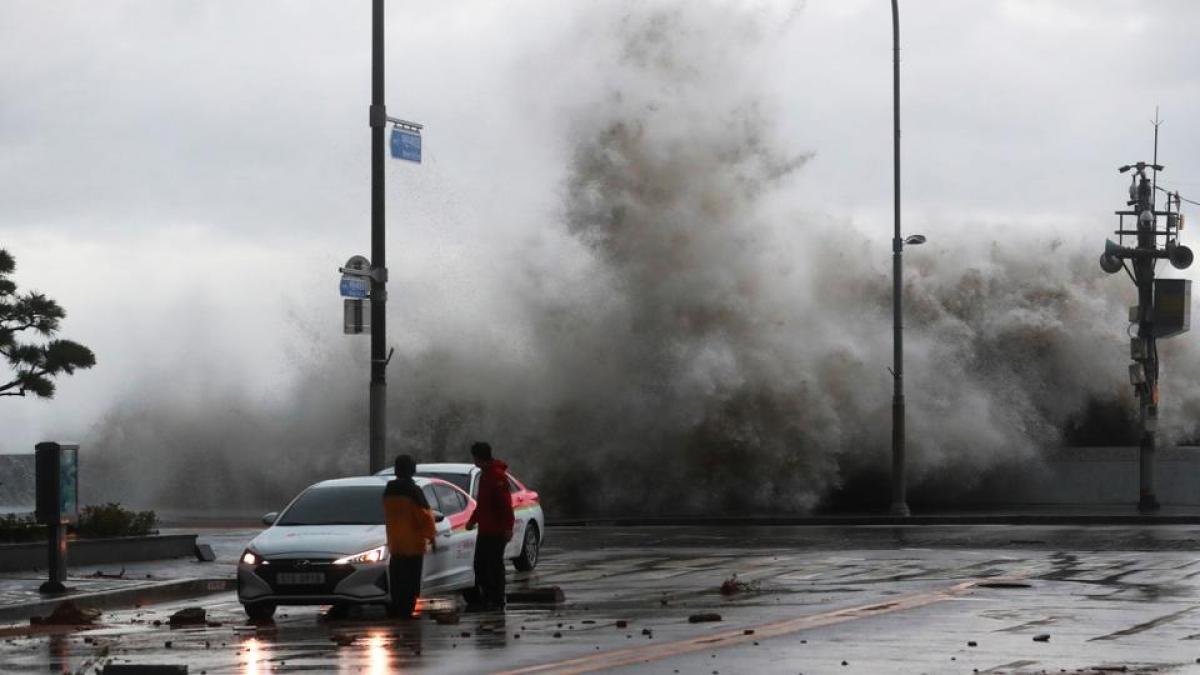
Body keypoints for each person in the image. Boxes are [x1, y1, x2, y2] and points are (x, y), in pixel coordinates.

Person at [382, 454, 436, 618]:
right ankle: (406, 610)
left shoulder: (388, 491)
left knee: (398, 579)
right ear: (412, 470)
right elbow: (425, 515)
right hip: (413, 544)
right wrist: (431, 536)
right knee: (411, 581)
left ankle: (397, 608)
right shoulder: (413, 491)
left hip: (395, 544)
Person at [465, 441, 515, 610]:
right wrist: (473, 520)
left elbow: (505, 505)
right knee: (480, 565)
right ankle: (488, 597)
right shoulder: (485, 475)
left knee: (493, 566)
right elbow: (482, 504)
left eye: (474, 457)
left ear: (479, 458)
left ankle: (497, 599)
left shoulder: (497, 476)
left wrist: (508, 527)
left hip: (497, 531)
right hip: (485, 529)